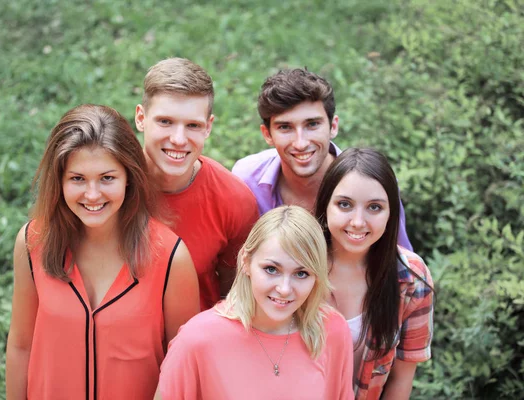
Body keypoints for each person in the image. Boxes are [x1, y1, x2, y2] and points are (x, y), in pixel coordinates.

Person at [5, 104, 200, 400]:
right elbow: (21, 345)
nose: (92, 195)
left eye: (107, 178)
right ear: (59, 181)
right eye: (77, 178)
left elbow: (184, 365)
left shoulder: (172, 257)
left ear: (129, 178)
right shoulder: (32, 241)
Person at [158, 206, 354, 400]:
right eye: (271, 269)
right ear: (246, 261)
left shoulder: (333, 331)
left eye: (301, 274)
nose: (284, 288)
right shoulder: (196, 340)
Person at [232, 68, 413, 250]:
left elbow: (398, 259)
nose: (301, 143)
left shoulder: (375, 183)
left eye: (312, 124)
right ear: (267, 134)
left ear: (333, 126)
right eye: (285, 127)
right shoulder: (246, 179)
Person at [134, 58, 259, 310]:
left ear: (208, 127)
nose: (178, 139)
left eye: (192, 125)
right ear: (140, 118)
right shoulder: (108, 185)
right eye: (165, 122)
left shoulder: (234, 200)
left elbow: (235, 297)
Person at [314, 148, 434, 400]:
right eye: (344, 204)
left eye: (374, 207)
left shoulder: (412, 277)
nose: (358, 221)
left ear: (391, 213)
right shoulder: (298, 264)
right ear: (326, 204)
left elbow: (401, 379)